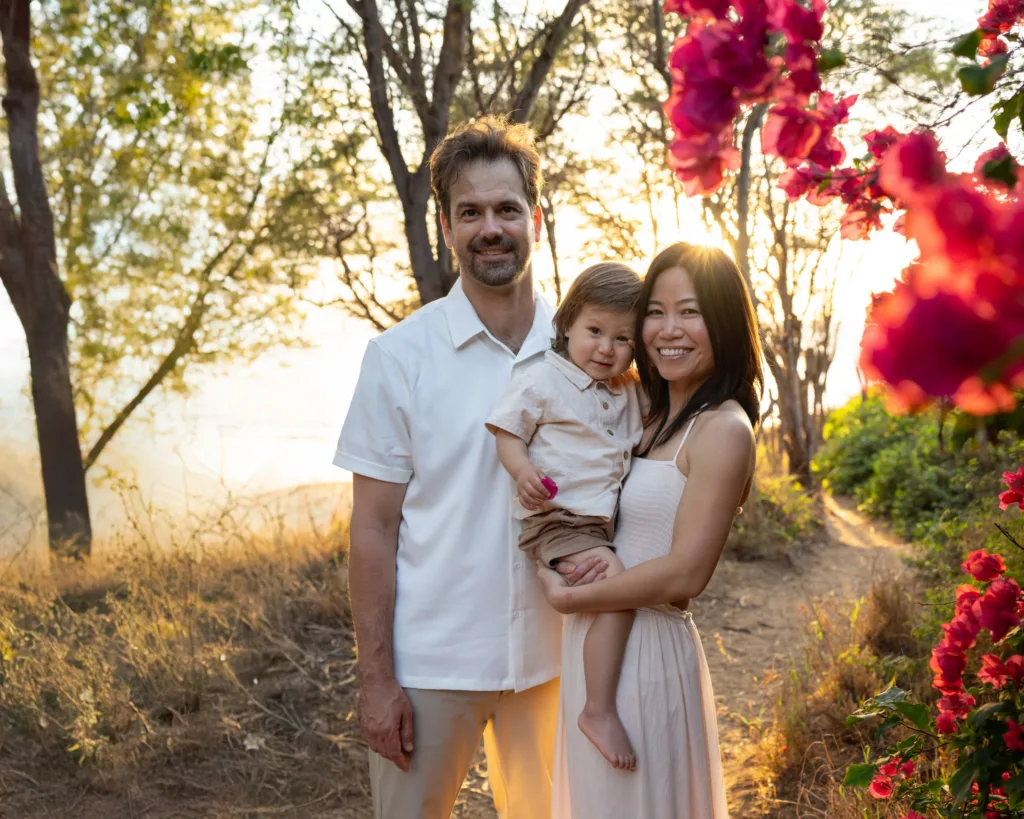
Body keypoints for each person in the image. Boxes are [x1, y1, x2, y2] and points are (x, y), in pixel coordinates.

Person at [334, 115, 606, 819]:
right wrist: (376, 681)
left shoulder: (590, 354)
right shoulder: (399, 357)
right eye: (471, 211)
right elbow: (372, 527)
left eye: (507, 208)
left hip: (557, 662)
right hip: (430, 669)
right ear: (448, 229)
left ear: (536, 221)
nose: (491, 226)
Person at [541, 241, 764, 818]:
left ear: (725, 323)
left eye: (690, 311)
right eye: (656, 313)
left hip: (646, 656)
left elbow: (688, 571)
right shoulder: (647, 412)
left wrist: (576, 597)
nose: (669, 329)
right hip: (595, 649)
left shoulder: (722, 429)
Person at [486, 262, 644, 771]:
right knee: (618, 596)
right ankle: (596, 711)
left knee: (617, 591)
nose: (606, 348)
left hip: (598, 524)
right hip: (558, 520)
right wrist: (523, 470)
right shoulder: (543, 379)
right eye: (595, 331)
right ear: (568, 324)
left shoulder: (627, 389)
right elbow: (507, 430)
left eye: (623, 338)